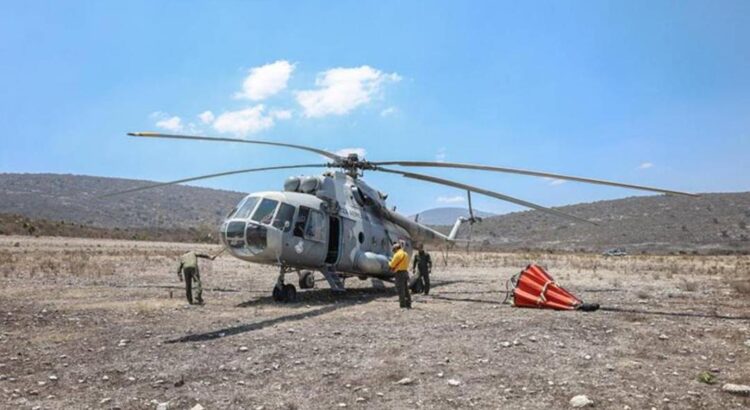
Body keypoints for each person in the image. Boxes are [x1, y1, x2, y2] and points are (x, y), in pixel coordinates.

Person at [389, 242, 411, 309]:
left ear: (396, 249)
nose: (393, 251)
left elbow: (392, 265)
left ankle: (402, 304)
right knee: (406, 289)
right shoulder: (405, 254)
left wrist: (389, 262)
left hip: (399, 273)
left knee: (400, 289)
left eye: (394, 250)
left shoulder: (397, 255)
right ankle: (408, 303)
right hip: (405, 272)